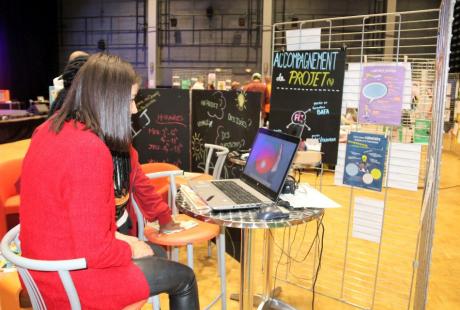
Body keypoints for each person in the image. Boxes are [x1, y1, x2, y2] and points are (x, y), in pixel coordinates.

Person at [19, 53, 199, 309]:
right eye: (130, 101)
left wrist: (131, 242)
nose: (134, 110)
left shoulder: (47, 130)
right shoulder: (89, 149)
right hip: (68, 281)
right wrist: (131, 248)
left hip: (42, 271)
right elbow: (96, 251)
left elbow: (81, 226)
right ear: (107, 101)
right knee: (185, 278)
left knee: (156, 255)